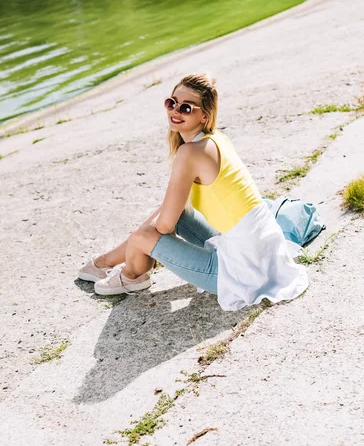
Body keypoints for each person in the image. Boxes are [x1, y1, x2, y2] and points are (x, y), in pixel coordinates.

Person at [78, 73, 308, 311]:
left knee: (142, 235)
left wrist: (147, 241)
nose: (175, 111)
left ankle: (132, 275)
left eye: (186, 108)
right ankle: (106, 261)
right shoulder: (216, 139)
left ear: (204, 116)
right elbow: (169, 215)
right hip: (262, 254)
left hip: (244, 272)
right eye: (172, 102)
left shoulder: (191, 153)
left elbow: (164, 227)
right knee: (164, 217)